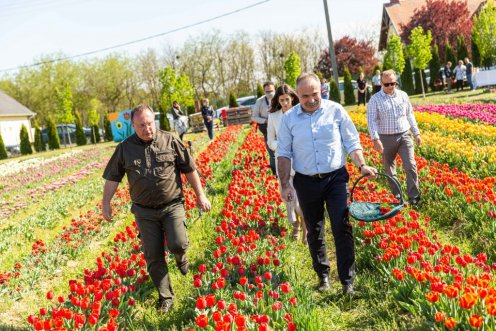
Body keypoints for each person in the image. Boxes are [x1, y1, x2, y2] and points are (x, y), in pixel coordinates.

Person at [101, 104, 211, 314]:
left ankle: (181, 256)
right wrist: (106, 203)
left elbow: (189, 169)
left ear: (155, 122)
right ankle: (166, 297)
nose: (147, 128)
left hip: (172, 205)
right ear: (133, 125)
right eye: (141, 125)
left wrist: (200, 195)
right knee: (153, 255)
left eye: (149, 123)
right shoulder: (125, 148)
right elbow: (113, 177)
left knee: (178, 243)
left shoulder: (170, 140)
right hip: (144, 211)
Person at [277, 73, 377, 295]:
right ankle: (323, 276)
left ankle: (347, 282)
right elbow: (283, 153)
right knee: (314, 230)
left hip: (335, 178)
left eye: (315, 94)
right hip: (305, 181)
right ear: (297, 96)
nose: (311, 100)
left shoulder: (335, 110)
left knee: (342, 226)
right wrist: (284, 184)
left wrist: (362, 165)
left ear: (321, 90)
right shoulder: (289, 119)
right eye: (305, 96)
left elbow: (351, 141)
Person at [366, 70, 422, 207]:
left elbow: (410, 115)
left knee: (410, 165)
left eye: (393, 83)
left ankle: (414, 197)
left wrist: (416, 133)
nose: (391, 86)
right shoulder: (375, 99)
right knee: (390, 170)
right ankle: (398, 198)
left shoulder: (403, 96)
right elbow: (371, 121)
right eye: (387, 84)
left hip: (404, 135)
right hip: (385, 138)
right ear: (381, 83)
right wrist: (375, 139)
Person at [267, 84, 307, 245]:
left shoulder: (300, 113)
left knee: (301, 201)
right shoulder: (274, 117)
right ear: (277, 100)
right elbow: (270, 140)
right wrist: (283, 145)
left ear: (292, 99)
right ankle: (295, 225)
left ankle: (305, 229)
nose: (284, 103)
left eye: (287, 100)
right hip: (282, 162)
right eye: (281, 100)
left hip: (300, 160)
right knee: (288, 197)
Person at [252, 81, 276, 174]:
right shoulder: (260, 101)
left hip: (279, 127)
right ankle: (275, 174)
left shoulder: (279, 98)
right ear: (264, 91)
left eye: (271, 91)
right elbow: (254, 117)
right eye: (267, 91)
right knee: (272, 153)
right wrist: (265, 121)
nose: (270, 93)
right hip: (267, 129)